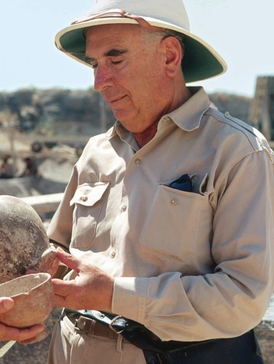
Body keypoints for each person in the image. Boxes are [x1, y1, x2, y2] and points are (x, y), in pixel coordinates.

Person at [1, 0, 274, 363]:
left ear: (170, 56)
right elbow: (54, 253)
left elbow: (242, 297)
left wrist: (114, 295)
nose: (99, 81)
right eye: (95, 64)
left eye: (115, 58)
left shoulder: (238, 151)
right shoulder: (96, 151)